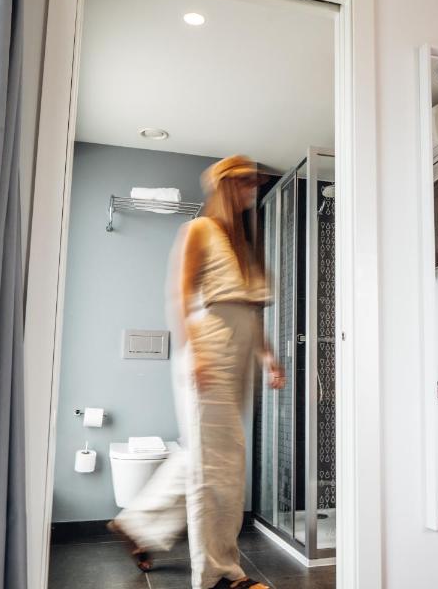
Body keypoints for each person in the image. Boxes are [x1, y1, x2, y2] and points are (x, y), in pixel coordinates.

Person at [108, 155, 285, 589]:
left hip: (236, 359)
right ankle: (218, 575)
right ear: (225, 185)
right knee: (216, 468)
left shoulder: (243, 245)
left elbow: (249, 312)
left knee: (207, 458)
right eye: (245, 182)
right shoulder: (200, 229)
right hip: (209, 351)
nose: (252, 190)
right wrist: (196, 353)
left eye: (254, 184)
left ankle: (138, 525)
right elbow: (181, 295)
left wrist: (267, 357)